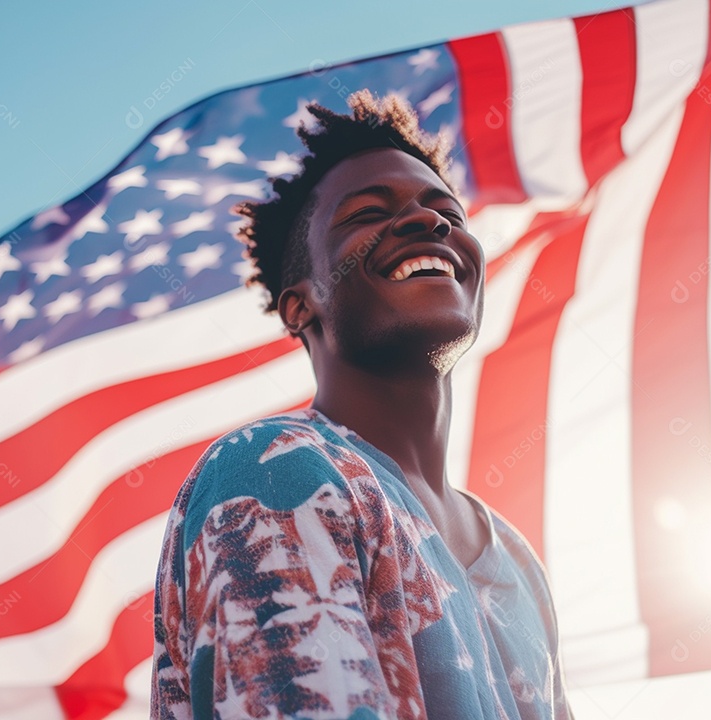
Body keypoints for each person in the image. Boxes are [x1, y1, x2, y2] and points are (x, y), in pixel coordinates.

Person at [150, 89, 573, 720]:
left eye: (447, 212)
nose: (430, 223)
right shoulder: (278, 470)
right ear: (301, 306)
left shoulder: (516, 559)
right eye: (366, 213)